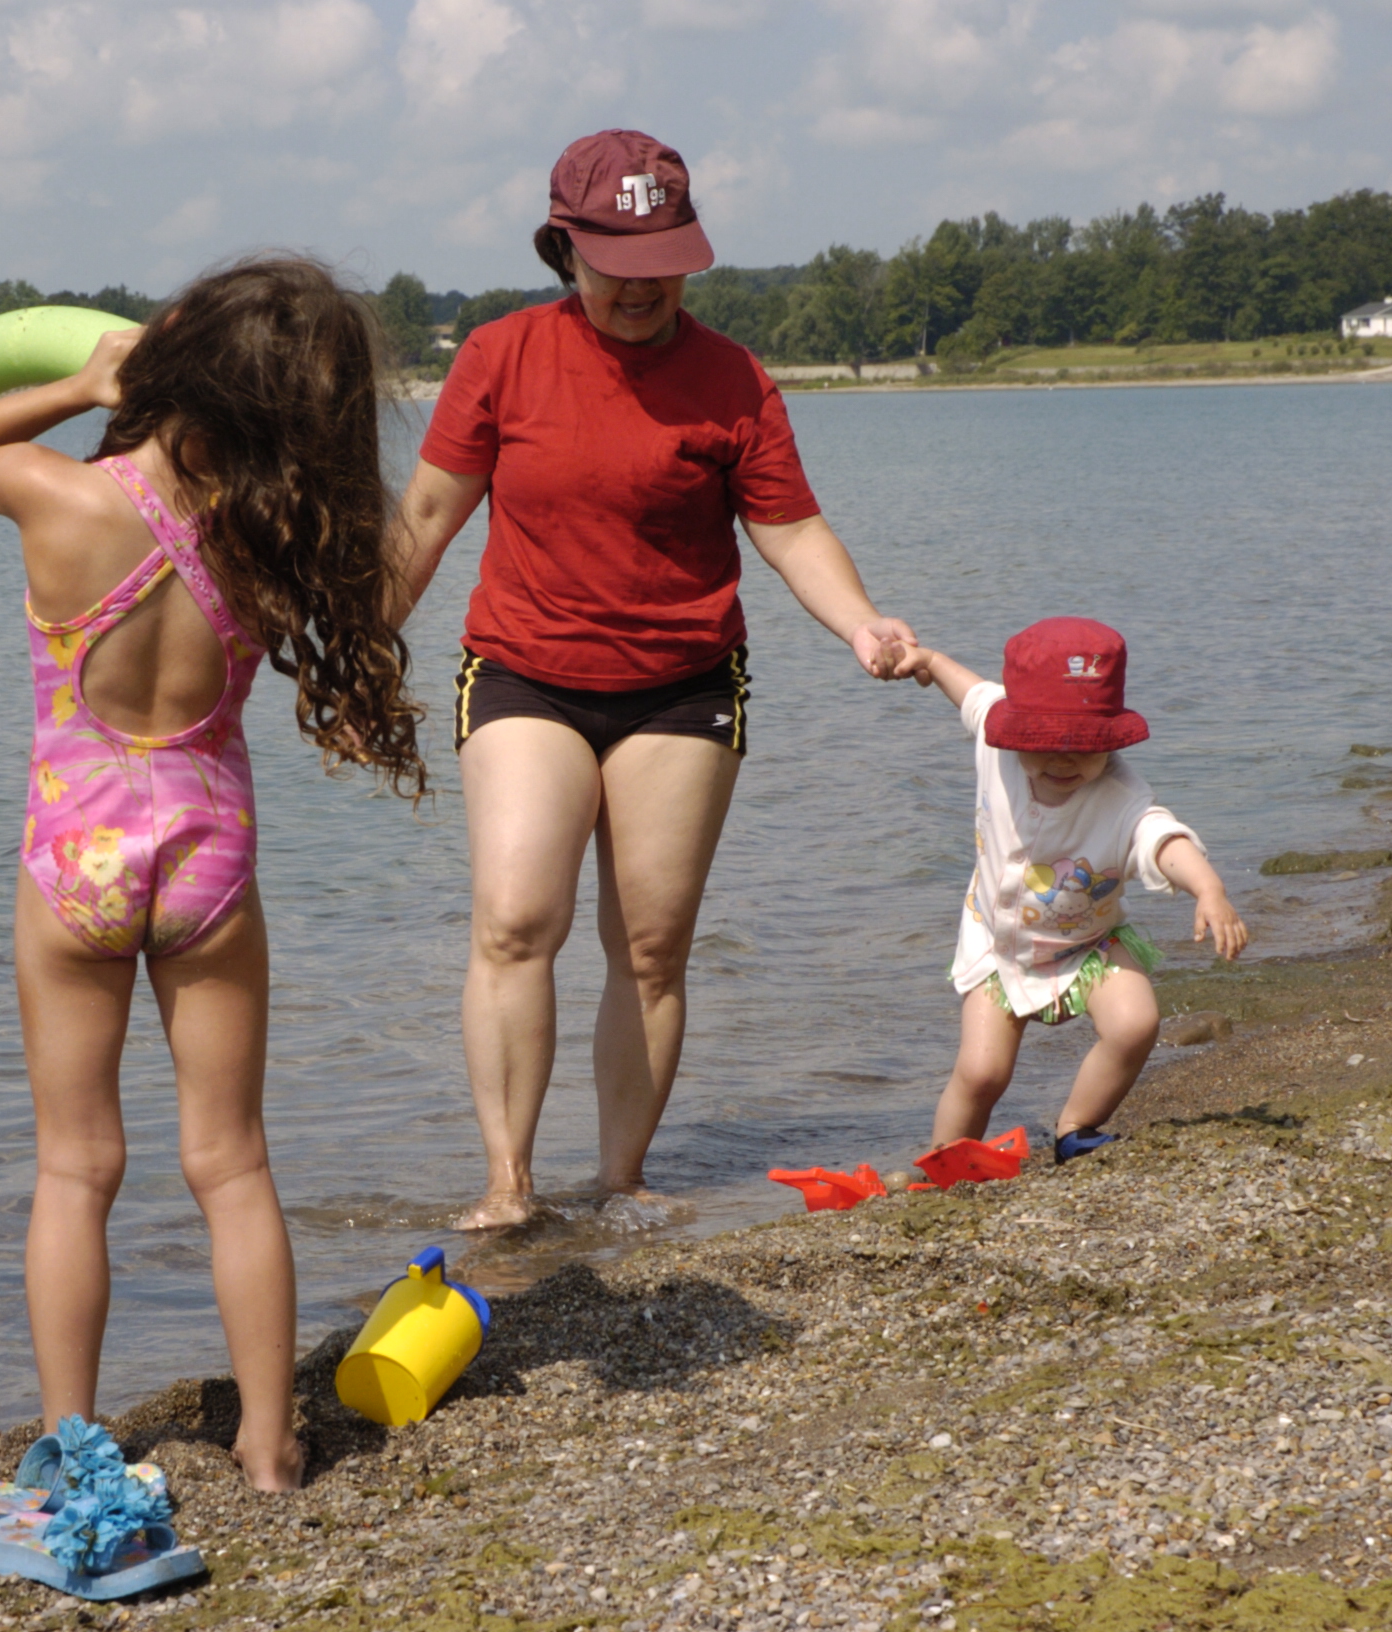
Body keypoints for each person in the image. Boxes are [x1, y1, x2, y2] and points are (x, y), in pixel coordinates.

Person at [0, 259, 427, 1491]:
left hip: (73, 859)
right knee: (231, 1162)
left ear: (177, 368)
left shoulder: (63, 498)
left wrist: (78, 384)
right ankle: (269, 1442)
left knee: (75, 1167)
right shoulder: (275, 543)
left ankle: (72, 1445)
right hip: (208, 860)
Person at [392, 130, 919, 1229]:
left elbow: (790, 529)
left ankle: (619, 1181)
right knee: (514, 921)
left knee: (648, 945)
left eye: (664, 265)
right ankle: (508, 1185)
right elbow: (429, 516)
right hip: (525, 672)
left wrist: (862, 624)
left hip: (683, 685)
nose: (641, 289)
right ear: (564, 249)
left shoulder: (733, 378)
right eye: (616, 267)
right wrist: (354, 651)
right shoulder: (499, 357)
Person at [890, 618, 1249, 1163]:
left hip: (1088, 942)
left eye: (1083, 746)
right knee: (982, 1071)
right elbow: (975, 693)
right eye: (1045, 744)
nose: (1063, 759)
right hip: (999, 948)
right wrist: (931, 661)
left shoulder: (1120, 796)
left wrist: (1209, 888)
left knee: (1136, 1025)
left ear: (1109, 738)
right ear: (1014, 731)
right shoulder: (995, 739)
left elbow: (1161, 837)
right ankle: (946, 1158)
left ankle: (1076, 1127)